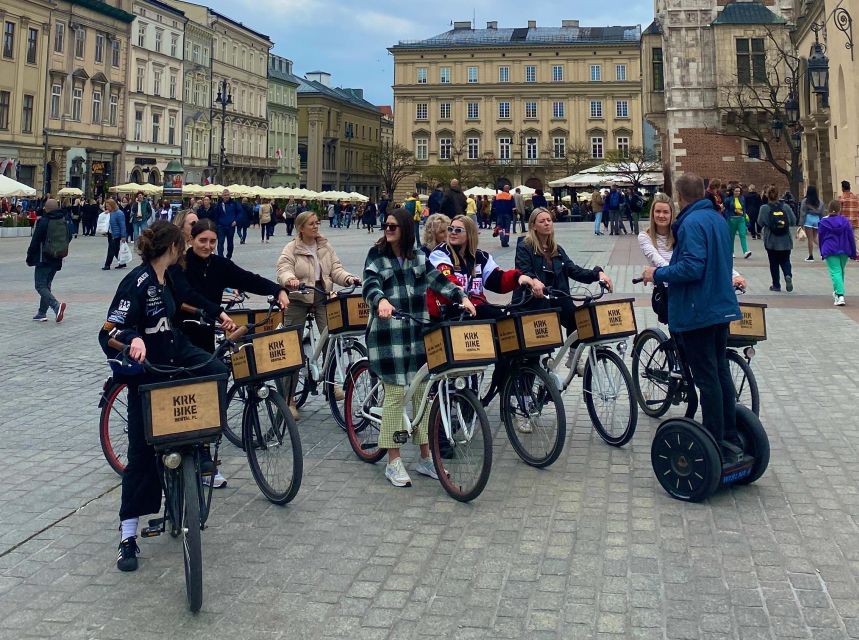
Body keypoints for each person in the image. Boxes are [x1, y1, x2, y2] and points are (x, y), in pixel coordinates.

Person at [99, 221, 229, 572]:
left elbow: (181, 306)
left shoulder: (166, 277)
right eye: (181, 246)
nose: (184, 251)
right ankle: (128, 535)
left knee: (217, 370)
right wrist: (132, 339)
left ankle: (203, 443)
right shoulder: (137, 282)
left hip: (177, 350)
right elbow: (108, 331)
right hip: (149, 369)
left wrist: (212, 315)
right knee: (141, 454)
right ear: (171, 248)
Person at [362, 208, 477, 488]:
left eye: (393, 226)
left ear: (405, 228)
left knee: (423, 395)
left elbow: (437, 280)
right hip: (388, 336)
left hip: (415, 334)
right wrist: (380, 301)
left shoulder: (418, 257)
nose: (388, 230)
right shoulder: (377, 255)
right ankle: (393, 461)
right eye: (385, 226)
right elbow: (370, 283)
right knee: (397, 395)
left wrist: (461, 296)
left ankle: (426, 457)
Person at [641, 173, 743, 458]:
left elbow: (691, 267)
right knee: (720, 372)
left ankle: (713, 441)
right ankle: (729, 434)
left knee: (707, 378)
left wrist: (657, 273)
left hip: (698, 310)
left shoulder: (691, 223)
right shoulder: (718, 219)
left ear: (679, 196)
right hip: (721, 306)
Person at [275, 211, 360, 419]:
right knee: (292, 345)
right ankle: (289, 398)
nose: (316, 226)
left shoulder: (324, 246)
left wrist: (348, 279)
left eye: (317, 223)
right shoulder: (292, 248)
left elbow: (335, 270)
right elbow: (283, 269)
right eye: (311, 224)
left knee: (331, 336)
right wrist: (290, 280)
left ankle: (330, 385)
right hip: (299, 298)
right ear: (301, 228)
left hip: (322, 295)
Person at [179, 218, 289, 354]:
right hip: (181, 332)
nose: (207, 246)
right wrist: (218, 312)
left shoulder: (220, 265)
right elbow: (187, 294)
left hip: (206, 331)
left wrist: (278, 290)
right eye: (202, 240)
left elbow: (249, 280)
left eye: (212, 241)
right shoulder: (180, 264)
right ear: (191, 239)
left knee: (213, 369)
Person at [639, 193, 746, 323]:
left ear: (672, 213)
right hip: (667, 291)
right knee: (679, 336)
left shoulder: (680, 231)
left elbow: (708, 257)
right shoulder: (645, 237)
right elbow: (659, 261)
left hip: (687, 288)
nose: (661, 215)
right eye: (658, 211)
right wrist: (666, 273)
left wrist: (734, 275)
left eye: (666, 212)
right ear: (652, 213)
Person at [515, 207, 612, 336]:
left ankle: (573, 356)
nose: (547, 223)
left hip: (558, 298)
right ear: (533, 226)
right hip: (534, 301)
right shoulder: (524, 247)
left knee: (579, 322)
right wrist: (534, 281)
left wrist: (598, 274)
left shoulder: (556, 249)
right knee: (537, 345)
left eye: (549, 220)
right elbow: (524, 270)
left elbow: (573, 270)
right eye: (542, 221)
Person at [428, 214, 541, 320]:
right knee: (488, 313)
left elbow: (497, 280)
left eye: (458, 230)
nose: (453, 232)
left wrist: (518, 277)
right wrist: (460, 295)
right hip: (449, 309)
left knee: (507, 321)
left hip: (476, 308)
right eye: (450, 229)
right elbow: (446, 277)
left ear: (470, 234)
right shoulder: (441, 253)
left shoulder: (481, 256)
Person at [26, 199, 69, 323]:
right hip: (57, 258)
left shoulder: (43, 221)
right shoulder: (63, 220)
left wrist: (29, 257)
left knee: (40, 285)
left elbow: (35, 241)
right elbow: (69, 236)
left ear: (46, 208)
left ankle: (56, 306)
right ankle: (42, 313)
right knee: (47, 285)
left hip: (43, 258)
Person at [818, 199, 857, 306]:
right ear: (840, 209)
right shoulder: (845, 221)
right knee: (840, 271)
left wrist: (822, 251)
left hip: (830, 249)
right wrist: (853, 252)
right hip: (844, 248)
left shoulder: (823, 222)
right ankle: (837, 292)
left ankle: (840, 295)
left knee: (835, 272)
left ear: (828, 209)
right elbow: (851, 237)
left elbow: (820, 237)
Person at [758, 186, 796, 292]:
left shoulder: (764, 208)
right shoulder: (786, 207)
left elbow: (760, 222)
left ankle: (776, 285)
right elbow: (793, 221)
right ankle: (788, 275)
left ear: (767, 195)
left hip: (771, 240)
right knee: (785, 260)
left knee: (773, 263)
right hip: (785, 240)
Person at [724, 186, 752, 259]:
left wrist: (744, 216)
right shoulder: (728, 199)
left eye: (739, 191)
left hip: (741, 219)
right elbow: (726, 209)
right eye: (736, 191)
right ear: (732, 191)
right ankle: (731, 252)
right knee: (731, 236)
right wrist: (729, 216)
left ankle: (745, 251)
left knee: (742, 234)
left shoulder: (742, 198)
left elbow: (744, 208)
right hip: (732, 219)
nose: (737, 193)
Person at [799, 185, 825, 262]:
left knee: (810, 239)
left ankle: (811, 256)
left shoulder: (805, 201)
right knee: (815, 237)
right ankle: (823, 252)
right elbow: (821, 213)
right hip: (817, 219)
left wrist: (801, 223)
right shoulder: (820, 201)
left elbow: (803, 212)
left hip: (808, 219)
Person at [102, 198, 128, 271]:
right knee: (116, 249)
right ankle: (122, 262)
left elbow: (122, 225)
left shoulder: (119, 213)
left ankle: (107, 265)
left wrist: (123, 236)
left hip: (116, 234)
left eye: (108, 206)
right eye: (106, 206)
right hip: (110, 233)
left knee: (111, 250)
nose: (107, 208)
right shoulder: (109, 213)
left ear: (112, 205)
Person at [838, 180, 859, 248]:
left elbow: (838, 211)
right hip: (856, 221)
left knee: (845, 238)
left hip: (845, 222)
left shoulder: (841, 198)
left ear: (843, 188)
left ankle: (847, 253)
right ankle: (857, 255)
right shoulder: (856, 197)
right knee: (856, 239)